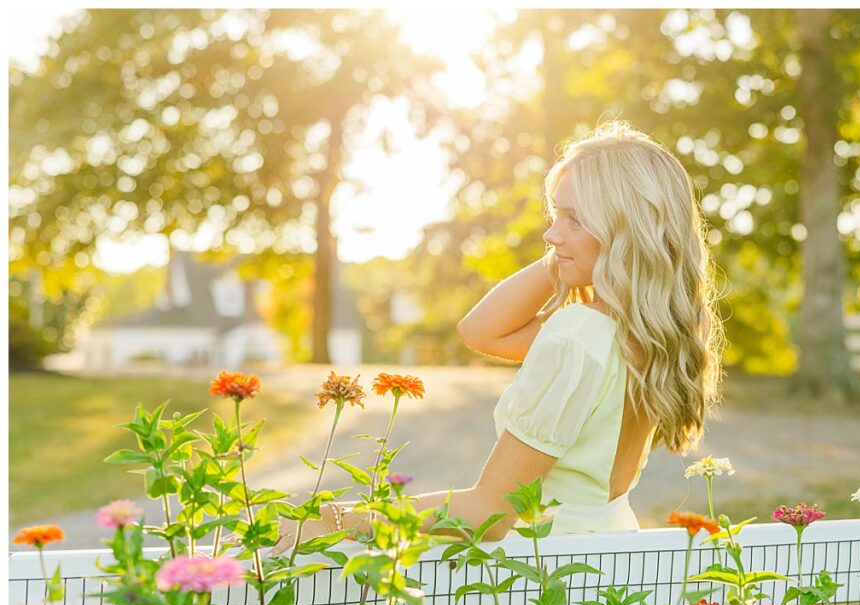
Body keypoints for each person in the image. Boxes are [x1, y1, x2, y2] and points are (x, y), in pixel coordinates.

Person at [271, 120, 725, 554]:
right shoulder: (655, 332)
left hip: (543, 581)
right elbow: (481, 331)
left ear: (625, 228)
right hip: (608, 563)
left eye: (573, 219)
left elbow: (487, 513)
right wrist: (567, 254)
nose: (550, 233)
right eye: (554, 217)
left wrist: (334, 518)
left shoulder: (578, 334)